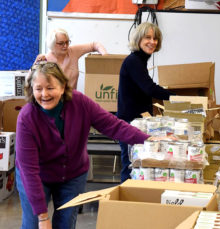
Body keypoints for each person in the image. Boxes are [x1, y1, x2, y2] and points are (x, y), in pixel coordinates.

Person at [15, 62, 164, 229]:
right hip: (37, 176)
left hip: (72, 174)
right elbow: (29, 170)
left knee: (65, 224)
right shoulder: (27, 118)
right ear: (31, 89)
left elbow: (113, 125)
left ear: (63, 87)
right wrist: (42, 217)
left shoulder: (80, 103)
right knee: (33, 224)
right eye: (38, 89)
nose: (44, 94)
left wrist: (149, 140)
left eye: (50, 88)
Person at [116, 22, 176, 183]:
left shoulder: (140, 61)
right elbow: (149, 88)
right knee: (131, 165)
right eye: (148, 37)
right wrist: (177, 98)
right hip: (130, 122)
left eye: (155, 38)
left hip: (137, 121)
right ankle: (123, 204)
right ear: (138, 39)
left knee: (138, 166)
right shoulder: (134, 61)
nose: (152, 41)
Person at [35, 28, 107, 89]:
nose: (65, 46)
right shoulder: (44, 59)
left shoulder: (73, 51)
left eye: (67, 42)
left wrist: (106, 57)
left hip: (72, 99)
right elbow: (31, 81)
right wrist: (35, 65)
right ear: (52, 44)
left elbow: (94, 45)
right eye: (61, 43)